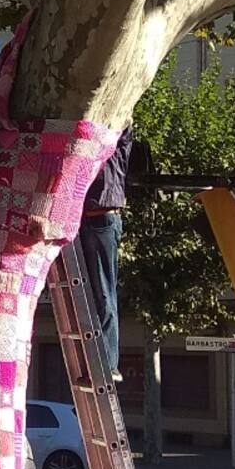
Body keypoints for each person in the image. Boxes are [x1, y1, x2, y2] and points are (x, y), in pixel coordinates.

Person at [79, 125, 132, 383]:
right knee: (90, 295)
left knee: (103, 292)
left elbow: (121, 130)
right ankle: (96, 363)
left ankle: (108, 364)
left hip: (102, 217)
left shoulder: (115, 135)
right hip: (89, 217)